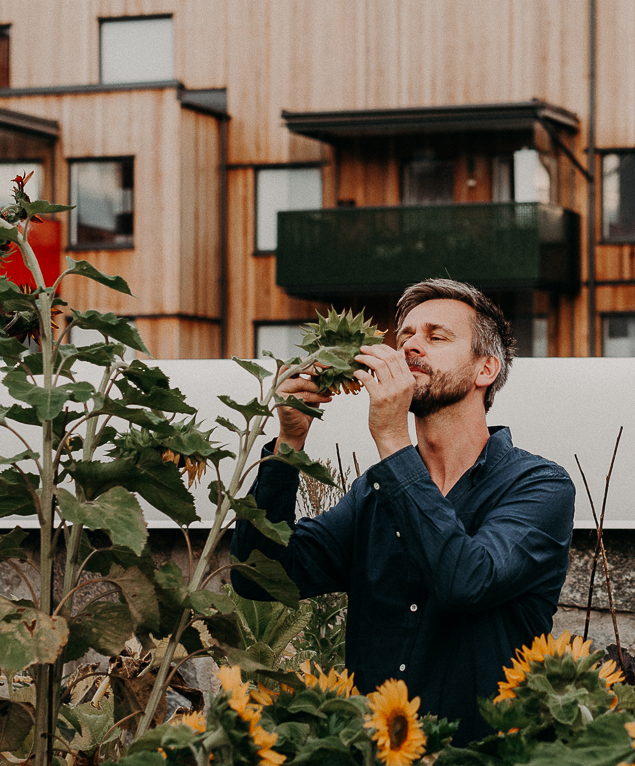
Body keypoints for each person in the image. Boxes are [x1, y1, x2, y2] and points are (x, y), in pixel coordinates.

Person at [231, 279, 575, 741]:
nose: (411, 345)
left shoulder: (538, 487)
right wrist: (289, 442)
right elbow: (258, 574)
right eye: (406, 334)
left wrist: (393, 441)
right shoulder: (374, 495)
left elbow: (465, 581)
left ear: (485, 370)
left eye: (436, 336)